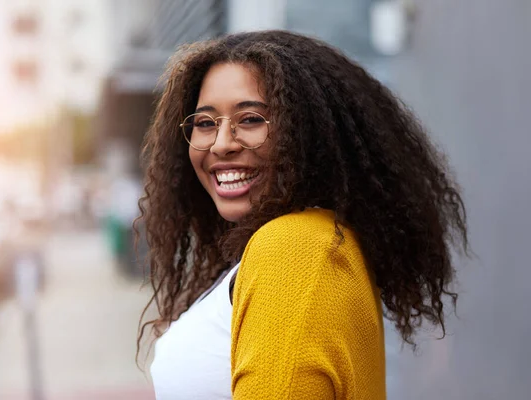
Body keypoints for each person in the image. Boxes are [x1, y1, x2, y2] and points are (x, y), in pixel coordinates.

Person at [138, 30, 468, 400]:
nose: (222, 143)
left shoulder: (294, 249)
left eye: (250, 119)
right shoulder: (300, 243)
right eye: (204, 122)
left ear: (306, 132)